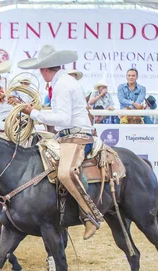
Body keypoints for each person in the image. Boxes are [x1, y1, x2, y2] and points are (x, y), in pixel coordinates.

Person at [18, 44, 102, 240]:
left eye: (40, 70)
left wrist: (34, 113)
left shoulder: (62, 85)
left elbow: (63, 119)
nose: (41, 73)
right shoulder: (62, 82)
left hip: (76, 135)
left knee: (65, 173)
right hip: (67, 134)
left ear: (45, 69)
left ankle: (90, 216)